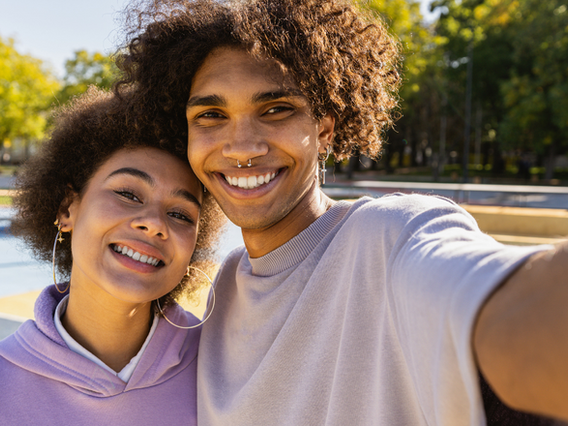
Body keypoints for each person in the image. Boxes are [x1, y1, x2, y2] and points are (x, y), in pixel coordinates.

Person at [117, 0, 568, 424]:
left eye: (276, 110)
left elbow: (516, 310)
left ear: (325, 127)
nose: (241, 147)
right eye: (211, 116)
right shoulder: (226, 289)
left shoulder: (391, 238)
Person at [0, 87, 224, 425]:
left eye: (180, 214)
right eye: (128, 194)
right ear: (66, 210)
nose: (153, 224)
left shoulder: (227, 368)